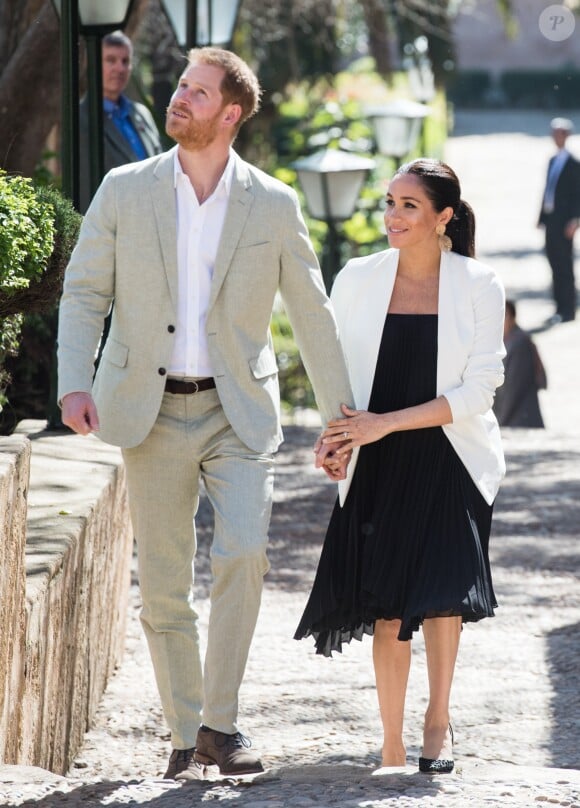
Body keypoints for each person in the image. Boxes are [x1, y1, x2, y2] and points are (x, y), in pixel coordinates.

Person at [57, 47, 353, 781]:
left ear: (230, 113)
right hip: (146, 412)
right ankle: (187, 731)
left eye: (197, 91)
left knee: (244, 550)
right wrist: (72, 384)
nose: (179, 98)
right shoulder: (125, 190)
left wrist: (340, 421)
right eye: (180, 87)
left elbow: (313, 316)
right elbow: (85, 292)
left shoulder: (273, 204)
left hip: (236, 411)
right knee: (163, 584)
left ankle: (220, 722)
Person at [296, 159, 506, 775]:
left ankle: (437, 721)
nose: (393, 216)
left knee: (442, 597)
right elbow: (335, 375)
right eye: (389, 203)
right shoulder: (358, 278)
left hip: (451, 454)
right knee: (388, 602)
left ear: (444, 217)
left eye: (409, 205)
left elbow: (480, 390)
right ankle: (391, 741)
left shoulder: (479, 282)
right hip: (376, 459)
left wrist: (383, 423)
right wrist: (336, 439)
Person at [79, 30, 162, 213]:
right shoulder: (81, 118)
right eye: (111, 60)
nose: (120, 68)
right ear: (92, 64)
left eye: (125, 61)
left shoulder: (142, 114)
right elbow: (84, 189)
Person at [538, 117, 580, 325]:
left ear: (567, 135)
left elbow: (577, 194)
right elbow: (548, 191)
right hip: (551, 221)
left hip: (565, 223)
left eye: (560, 133)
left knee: (564, 266)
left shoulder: (574, 163)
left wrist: (575, 220)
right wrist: (541, 217)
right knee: (553, 263)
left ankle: (568, 309)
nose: (556, 137)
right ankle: (558, 307)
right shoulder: (553, 160)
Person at [493, 300, 546, 428]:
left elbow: (514, 388)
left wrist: (500, 422)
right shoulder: (503, 342)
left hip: (521, 420)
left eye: (503, 316)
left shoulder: (520, 343)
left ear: (512, 318)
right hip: (510, 418)